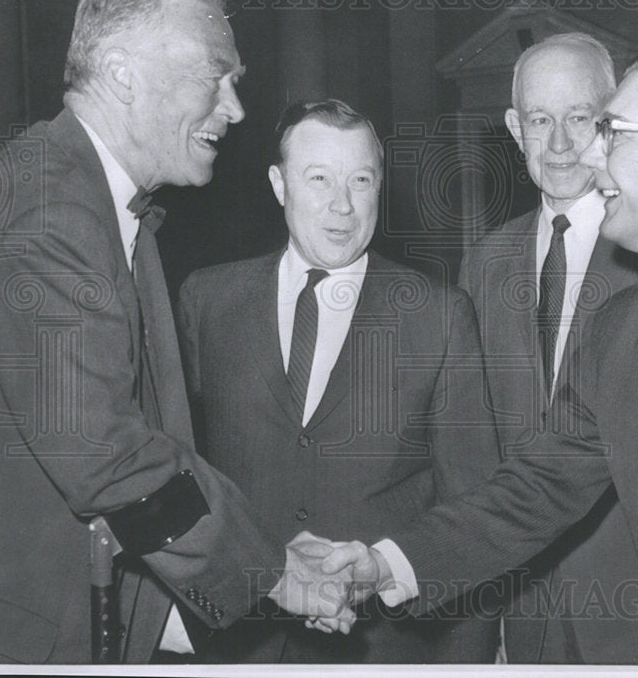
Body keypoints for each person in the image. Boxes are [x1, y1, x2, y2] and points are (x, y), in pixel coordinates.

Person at [317, 45, 638, 665]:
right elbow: (537, 488)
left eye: (613, 132)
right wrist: (384, 564)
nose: (589, 154)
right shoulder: (620, 332)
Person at [0, 0, 348, 665]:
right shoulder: (51, 214)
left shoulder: (99, 202)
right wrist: (268, 570)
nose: (236, 109)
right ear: (123, 74)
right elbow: (107, 456)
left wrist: (263, 561)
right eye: (215, 75)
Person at [176, 99, 500, 663]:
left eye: (361, 180)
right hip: (238, 645)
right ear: (279, 184)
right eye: (319, 178)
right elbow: (177, 474)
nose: (343, 205)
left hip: (384, 651)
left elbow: (474, 513)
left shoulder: (439, 314)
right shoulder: (208, 300)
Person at [457, 32, 638, 662]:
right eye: (541, 120)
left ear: (611, 122)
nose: (560, 144)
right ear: (516, 130)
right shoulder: (484, 264)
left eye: (580, 118)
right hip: (522, 601)